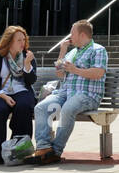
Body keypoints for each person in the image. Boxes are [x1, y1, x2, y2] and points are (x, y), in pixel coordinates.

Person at [31, 20, 108, 164]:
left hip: (87, 94)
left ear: (82, 34)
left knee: (67, 109)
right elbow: (60, 74)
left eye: (72, 33)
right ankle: (43, 148)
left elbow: (98, 73)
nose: (70, 36)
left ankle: (56, 151)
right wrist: (62, 51)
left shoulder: (98, 50)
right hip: (66, 92)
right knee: (40, 107)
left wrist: (75, 70)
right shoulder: (72, 52)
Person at [0, 25, 38, 167]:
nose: (22, 43)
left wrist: (27, 64)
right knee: (0, 111)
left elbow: (31, 81)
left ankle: (19, 152)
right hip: (1, 93)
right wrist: (4, 96)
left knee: (23, 107)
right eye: (19, 40)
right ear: (9, 41)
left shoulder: (27, 56)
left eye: (24, 39)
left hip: (22, 91)